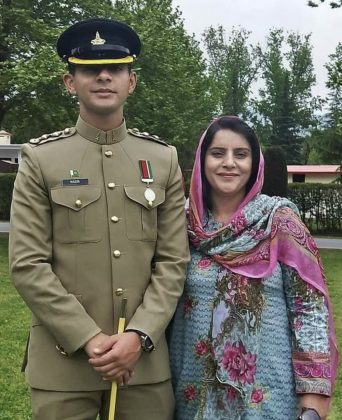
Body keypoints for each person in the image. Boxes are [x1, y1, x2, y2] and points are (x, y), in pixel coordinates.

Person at [9, 18, 189, 420]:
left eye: (116, 68)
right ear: (70, 82)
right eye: (90, 68)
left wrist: (138, 337)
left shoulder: (162, 160)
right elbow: (27, 265)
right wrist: (88, 337)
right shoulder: (41, 159)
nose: (104, 76)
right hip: (64, 366)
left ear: (132, 81)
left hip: (142, 369)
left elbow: (174, 262)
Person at [169, 116, 338, 420]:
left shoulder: (279, 221)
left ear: (255, 163)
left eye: (241, 154)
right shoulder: (181, 225)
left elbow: (309, 310)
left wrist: (313, 397)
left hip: (267, 396)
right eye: (218, 153)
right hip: (193, 390)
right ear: (202, 160)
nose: (229, 163)